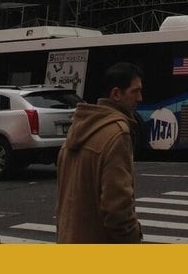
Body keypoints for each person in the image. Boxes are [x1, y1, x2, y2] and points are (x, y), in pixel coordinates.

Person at [56, 61, 144, 243]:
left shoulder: (78, 128)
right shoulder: (117, 134)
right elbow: (118, 210)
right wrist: (133, 238)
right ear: (116, 94)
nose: (140, 98)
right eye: (135, 91)